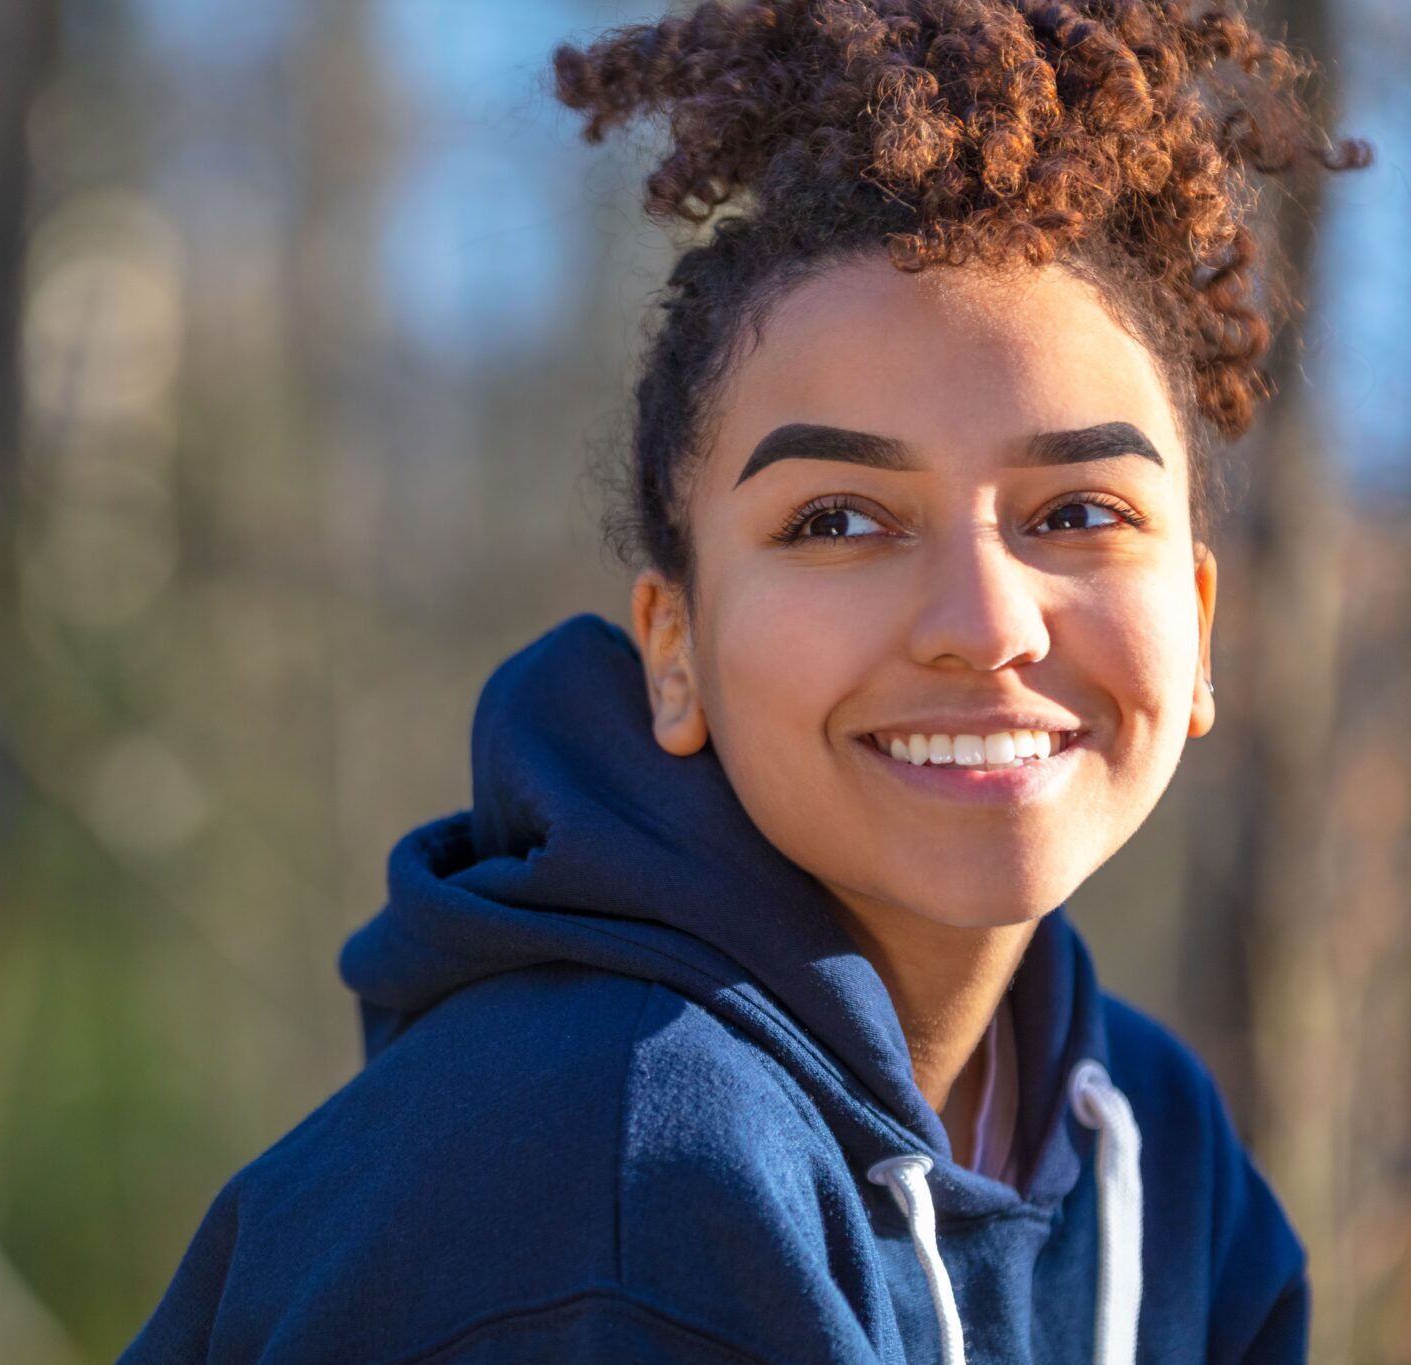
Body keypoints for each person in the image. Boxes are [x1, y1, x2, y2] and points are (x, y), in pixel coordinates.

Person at [120, 1, 1371, 1360]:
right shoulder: (622, 1177)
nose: (983, 623)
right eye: (838, 519)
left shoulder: (1159, 1152)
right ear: (676, 651)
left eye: (1076, 512)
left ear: (1197, 624)